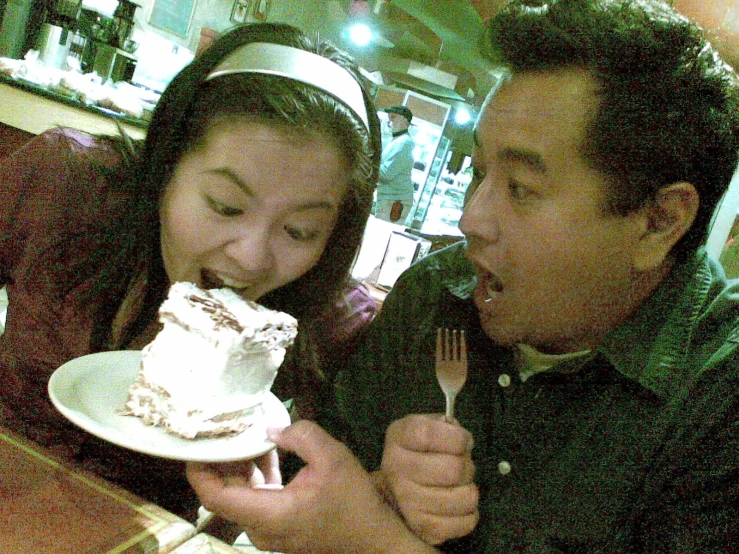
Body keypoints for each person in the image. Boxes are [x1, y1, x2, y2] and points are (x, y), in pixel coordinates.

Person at [186, 1, 739, 552]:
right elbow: (314, 478)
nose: (469, 219)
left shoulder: (719, 397)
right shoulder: (434, 294)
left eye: (521, 187)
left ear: (657, 222)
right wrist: (378, 490)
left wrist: (377, 540)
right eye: (478, 172)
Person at [0, 22, 381, 520]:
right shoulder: (67, 185)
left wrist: (270, 507)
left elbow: (311, 492)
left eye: (300, 230)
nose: (250, 257)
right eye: (225, 206)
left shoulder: (336, 322)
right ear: (166, 165)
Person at [374, 105, 416, 224]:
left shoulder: (404, 143)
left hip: (395, 201)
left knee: (383, 233)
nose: (389, 121)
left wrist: (368, 165)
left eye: (393, 117)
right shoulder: (396, 141)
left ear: (405, 122)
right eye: (388, 117)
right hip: (390, 198)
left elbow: (386, 174)